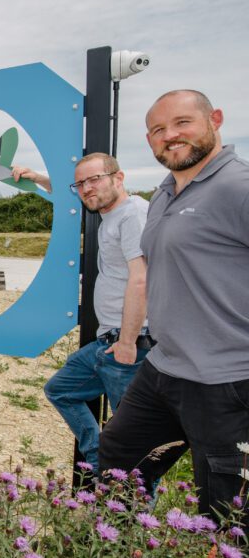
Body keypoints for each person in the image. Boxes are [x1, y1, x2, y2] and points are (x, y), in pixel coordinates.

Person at [99, 90, 249, 522]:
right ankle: (119, 549)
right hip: (165, 368)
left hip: (225, 378)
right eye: (158, 130)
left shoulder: (237, 187)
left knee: (226, 505)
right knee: (120, 453)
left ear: (215, 119)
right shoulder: (165, 193)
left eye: (182, 123)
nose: (170, 136)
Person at [12, 153, 149, 473]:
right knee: (60, 390)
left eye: (95, 179)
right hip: (107, 344)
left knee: (132, 440)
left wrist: (128, 342)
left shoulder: (134, 215)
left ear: (119, 177)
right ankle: (102, 463)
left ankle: (131, 509)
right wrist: (37, 178)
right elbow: (69, 189)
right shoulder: (109, 210)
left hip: (130, 345)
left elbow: (141, 279)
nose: (87, 188)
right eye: (81, 183)